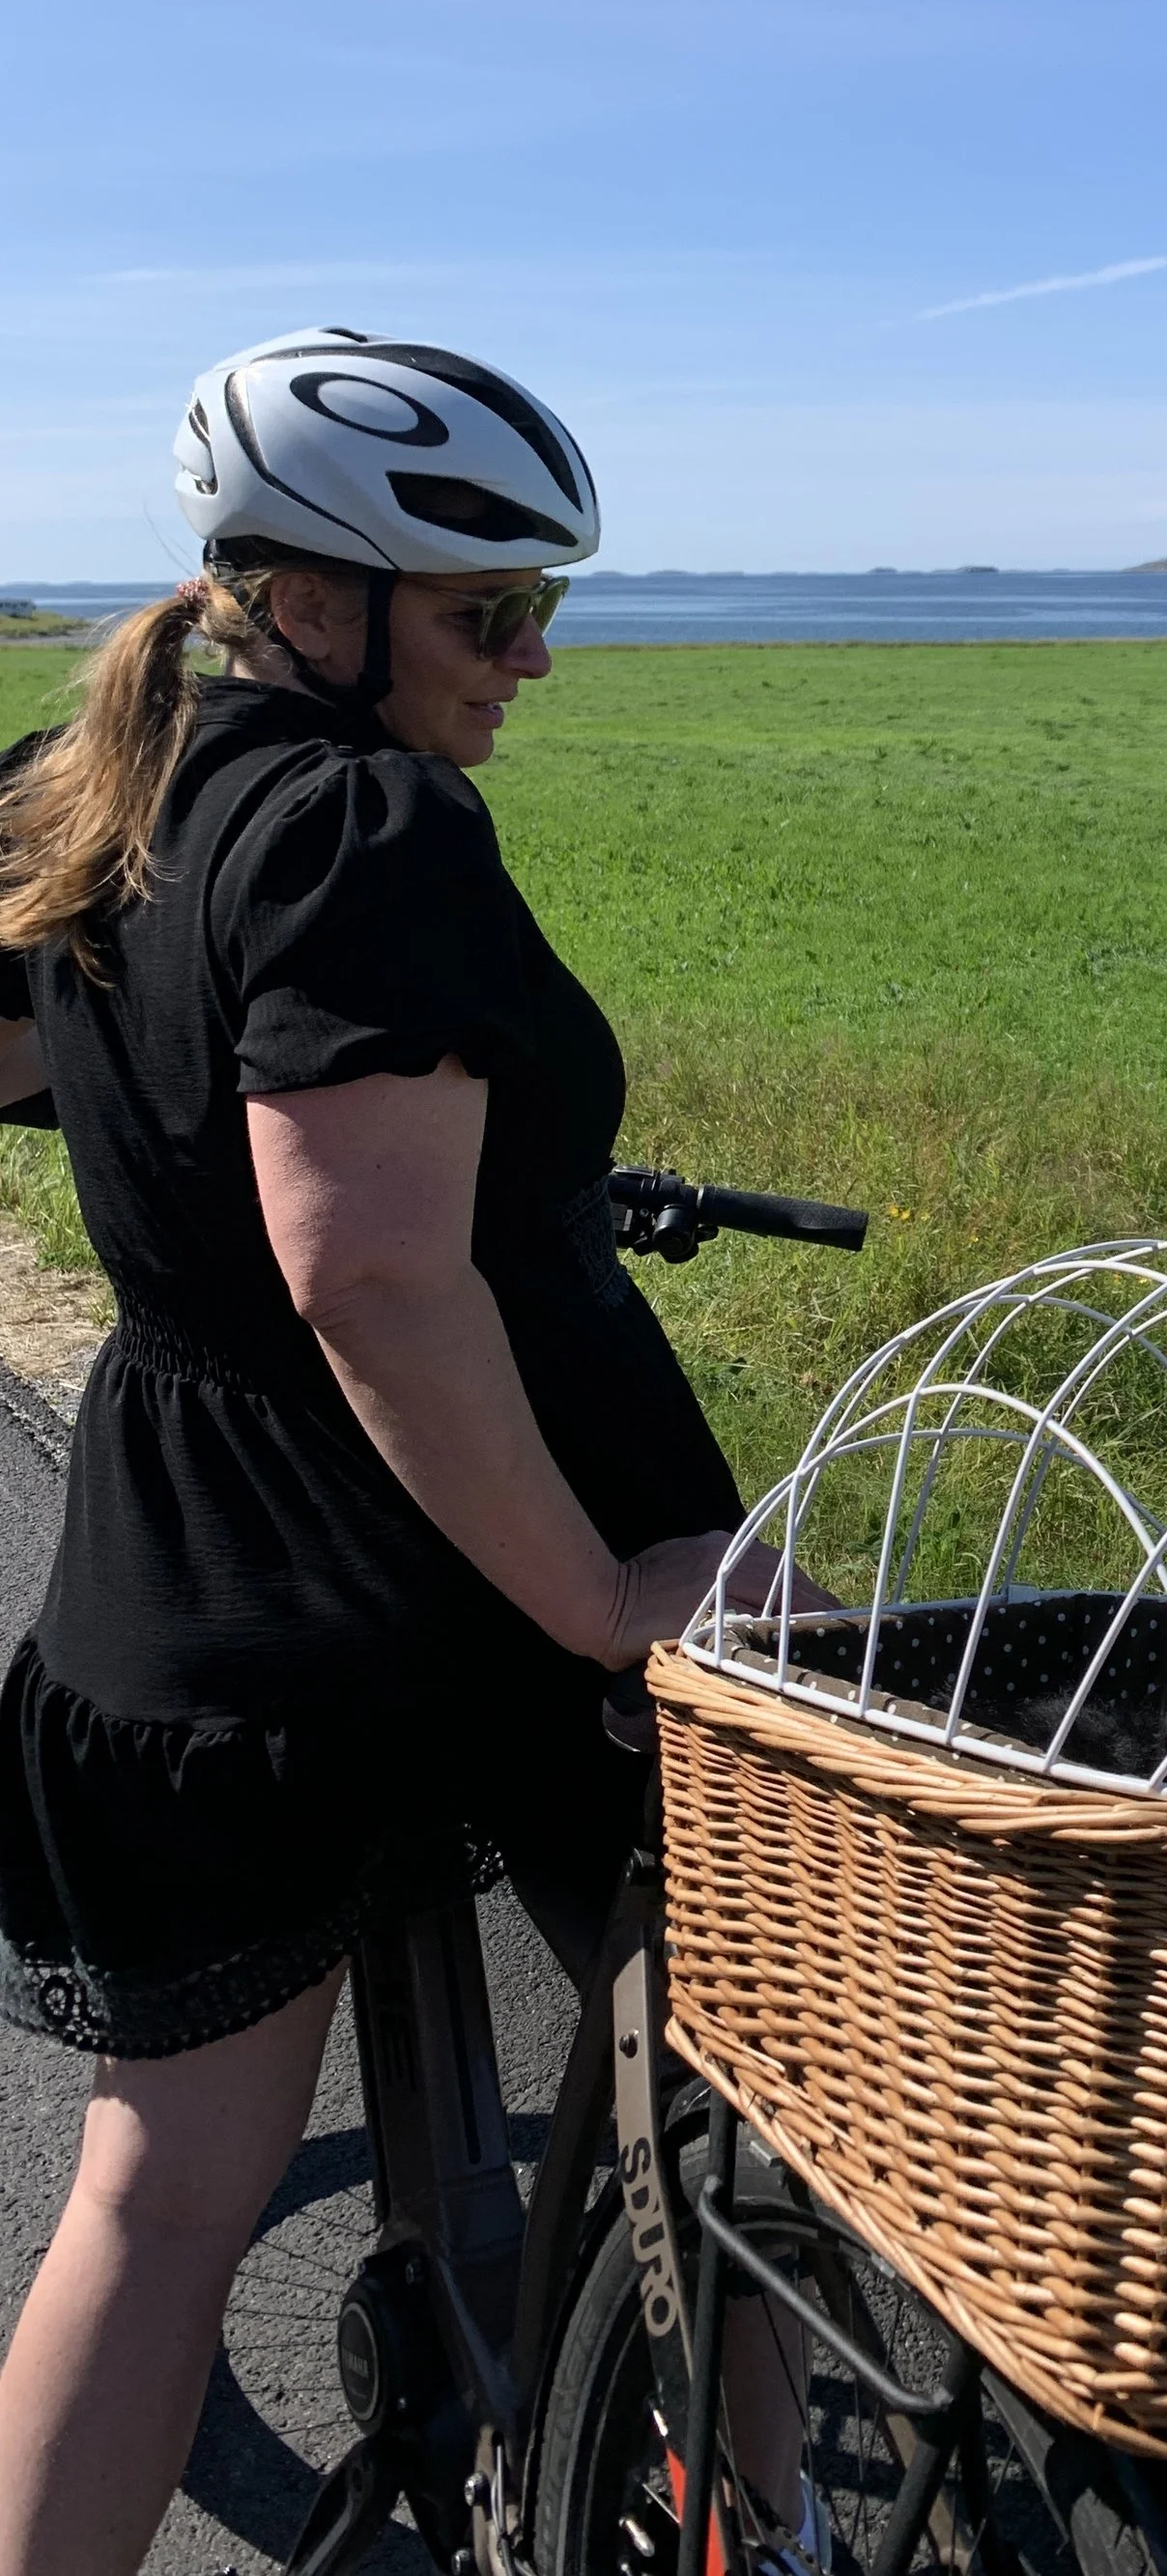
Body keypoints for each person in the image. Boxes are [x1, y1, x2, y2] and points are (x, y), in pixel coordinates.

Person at [0, 332, 774, 2576]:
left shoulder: (96, 784)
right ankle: (763, 2511)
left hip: (193, 1575)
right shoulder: (363, 826)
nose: (533, 657)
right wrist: (601, 1597)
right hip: (459, 1574)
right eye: (482, 610)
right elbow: (377, 1278)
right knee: (718, 2094)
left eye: (545, 604)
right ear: (308, 599)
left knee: (149, 2199)